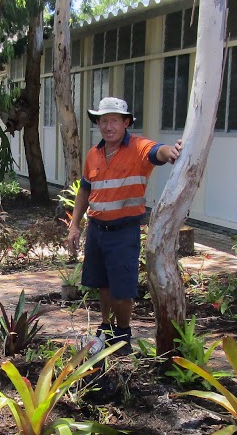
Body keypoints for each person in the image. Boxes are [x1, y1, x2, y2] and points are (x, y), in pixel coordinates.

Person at [64, 97, 182, 354]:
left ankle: (123, 334)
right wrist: (75, 225)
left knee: (122, 287)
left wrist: (170, 152)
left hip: (123, 231)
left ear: (125, 122)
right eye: (103, 121)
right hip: (97, 229)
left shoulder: (138, 147)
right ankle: (105, 327)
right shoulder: (93, 154)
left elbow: (157, 151)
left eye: (114, 121)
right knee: (103, 283)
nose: (108, 126)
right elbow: (84, 191)